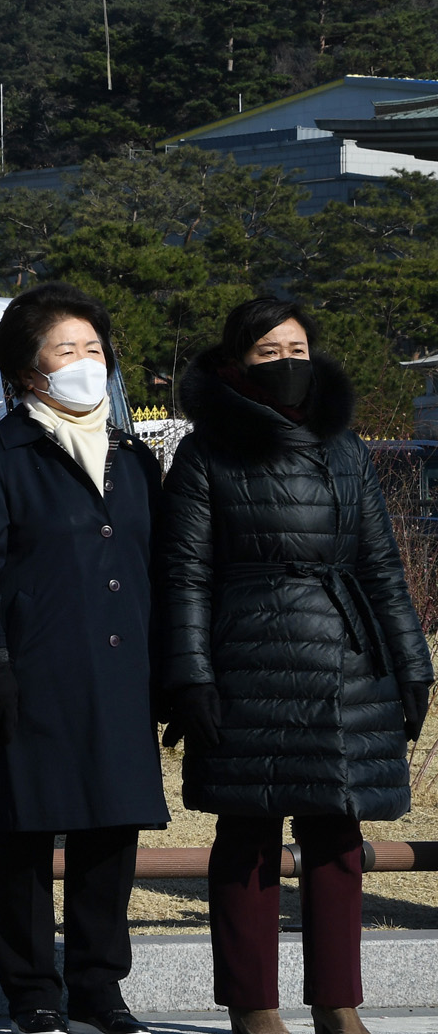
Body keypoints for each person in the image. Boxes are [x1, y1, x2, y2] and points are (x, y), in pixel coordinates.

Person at [160, 298, 433, 1034]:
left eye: (297, 347)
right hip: (246, 654)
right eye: (268, 351)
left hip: (348, 660)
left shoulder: (344, 448)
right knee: (248, 835)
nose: (287, 362)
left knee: (338, 836)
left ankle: (337, 1002)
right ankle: (254, 1008)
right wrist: (189, 676)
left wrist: (412, 664)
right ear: (235, 361)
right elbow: (183, 574)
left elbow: (381, 566)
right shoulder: (204, 453)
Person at [0, 283, 170, 1034]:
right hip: (31, 675)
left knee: (111, 835)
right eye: (65, 350)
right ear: (27, 370)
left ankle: (100, 988)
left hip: (120, 674)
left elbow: (159, 570)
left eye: (93, 349)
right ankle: (33, 991)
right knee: (25, 839)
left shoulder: (135, 459)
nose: (84, 364)